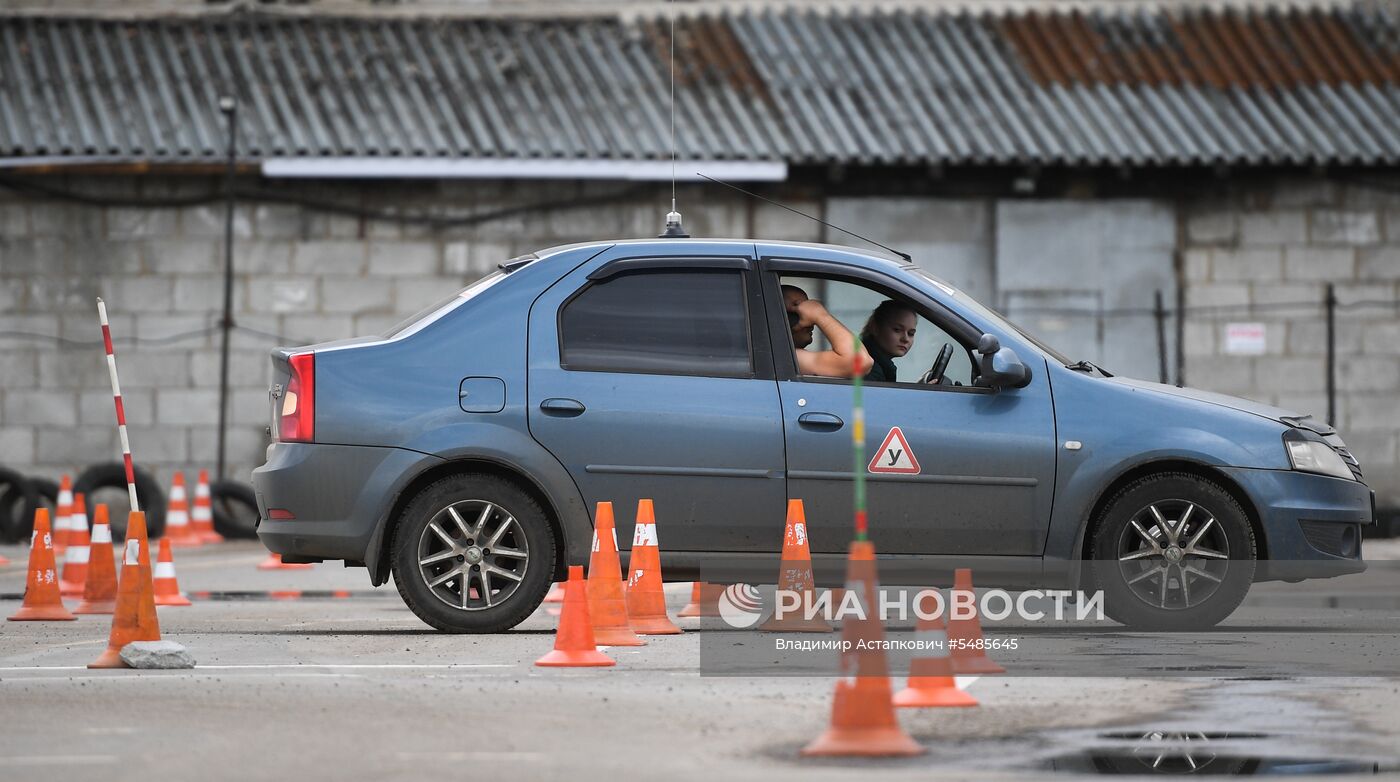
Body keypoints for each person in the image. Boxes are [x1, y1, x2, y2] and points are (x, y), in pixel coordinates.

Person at [782, 285, 873, 378]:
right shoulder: (781, 358)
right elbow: (860, 362)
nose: (810, 320)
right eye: (798, 307)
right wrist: (819, 314)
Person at [860, 300, 918, 382]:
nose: (905, 339)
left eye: (911, 333)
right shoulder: (869, 369)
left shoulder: (879, 365)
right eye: (897, 330)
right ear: (875, 328)